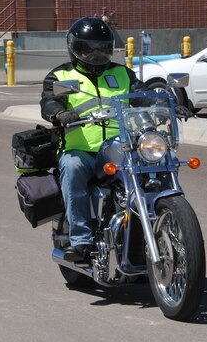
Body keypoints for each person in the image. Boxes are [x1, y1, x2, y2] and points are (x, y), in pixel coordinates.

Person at [40, 17, 145, 262]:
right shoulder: (61, 75)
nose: (96, 53)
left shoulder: (122, 73)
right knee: (72, 168)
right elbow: (49, 100)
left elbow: (140, 93)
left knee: (154, 161)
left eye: (102, 47)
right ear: (75, 48)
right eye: (89, 48)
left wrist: (163, 101)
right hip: (81, 150)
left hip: (119, 148)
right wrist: (58, 112)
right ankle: (81, 241)